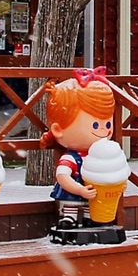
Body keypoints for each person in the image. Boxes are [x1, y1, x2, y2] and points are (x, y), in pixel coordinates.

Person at [46, 70, 117, 232]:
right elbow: (62, 176)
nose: (104, 131)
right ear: (58, 130)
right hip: (74, 190)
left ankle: (91, 218)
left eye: (107, 124)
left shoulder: (101, 156)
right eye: (95, 125)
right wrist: (79, 189)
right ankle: (69, 218)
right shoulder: (71, 158)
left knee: (90, 207)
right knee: (71, 204)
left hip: (94, 194)